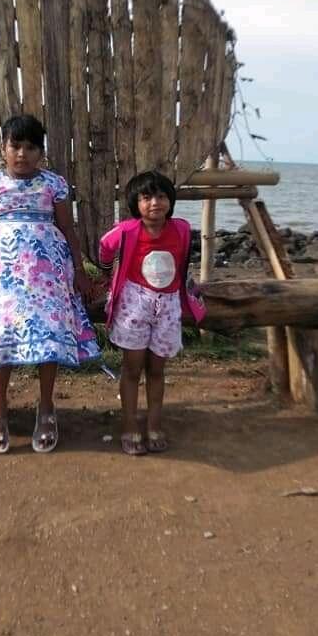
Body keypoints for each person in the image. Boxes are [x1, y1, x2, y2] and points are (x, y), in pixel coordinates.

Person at [0, 114, 100, 455]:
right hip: (0, 272)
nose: (23, 154)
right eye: (16, 146)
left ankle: (46, 407)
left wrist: (79, 270)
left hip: (48, 272)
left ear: (41, 153)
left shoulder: (54, 184)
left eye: (31, 147)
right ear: (3, 148)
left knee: (51, 332)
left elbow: (68, 230)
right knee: (3, 333)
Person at [99, 170, 205, 456]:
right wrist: (109, 275)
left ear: (170, 201)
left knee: (157, 369)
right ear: (136, 203)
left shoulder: (181, 229)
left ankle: (154, 423)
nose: (154, 203)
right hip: (135, 304)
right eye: (146, 197)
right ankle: (130, 424)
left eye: (161, 196)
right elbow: (104, 250)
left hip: (168, 306)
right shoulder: (126, 231)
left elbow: (182, 263)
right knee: (132, 368)